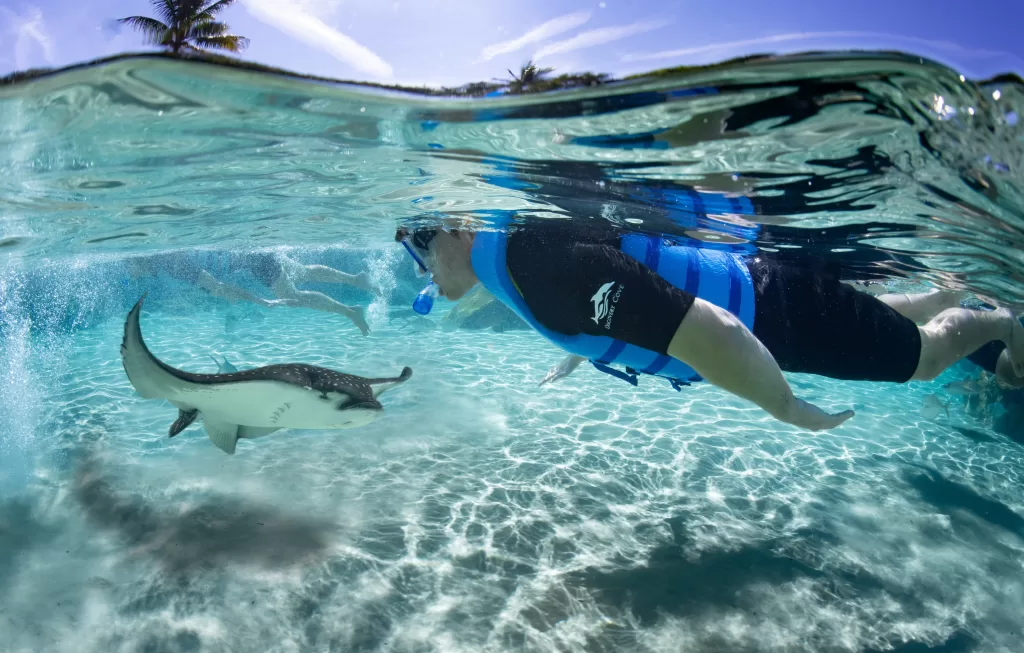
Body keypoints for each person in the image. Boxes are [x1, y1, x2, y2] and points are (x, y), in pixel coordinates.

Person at [394, 212, 1024, 431]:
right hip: (768, 299)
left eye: (412, 246)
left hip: (772, 316)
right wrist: (580, 351)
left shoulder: (530, 263)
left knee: (924, 360)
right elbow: (618, 300)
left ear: (450, 229)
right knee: (886, 317)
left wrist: (784, 407)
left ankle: (1000, 322)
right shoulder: (513, 258)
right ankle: (948, 295)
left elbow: (713, 333)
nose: (416, 265)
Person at [127, 249, 377, 335]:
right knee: (300, 271)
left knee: (293, 295)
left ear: (143, 260)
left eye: (132, 266)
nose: (132, 274)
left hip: (254, 259)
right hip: (253, 252)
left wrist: (259, 300)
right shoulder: (170, 261)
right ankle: (355, 279)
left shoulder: (174, 265)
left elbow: (220, 288)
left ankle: (349, 311)